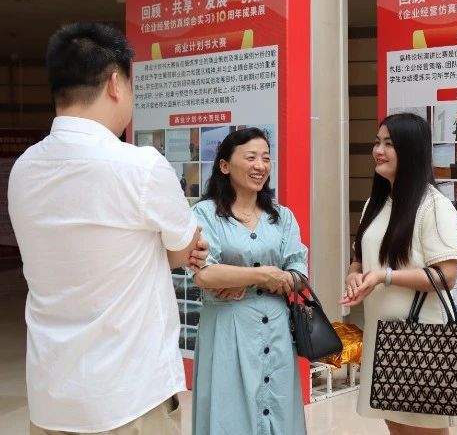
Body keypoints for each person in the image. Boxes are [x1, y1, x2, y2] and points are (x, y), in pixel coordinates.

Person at [8, 22, 208, 435]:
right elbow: (183, 250)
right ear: (116, 83)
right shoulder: (140, 166)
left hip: (51, 397)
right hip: (129, 397)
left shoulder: (24, 169)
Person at [341, 113, 457, 434]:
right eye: (377, 142)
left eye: (389, 144)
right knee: (397, 428)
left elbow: (446, 276)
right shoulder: (374, 204)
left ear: (410, 150)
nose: (378, 150)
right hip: (382, 336)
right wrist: (354, 275)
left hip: (421, 341)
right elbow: (359, 260)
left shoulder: (434, 206)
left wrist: (384, 277)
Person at [186, 127, 308, 435]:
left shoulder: (282, 216)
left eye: (266, 158)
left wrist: (241, 278)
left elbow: (298, 273)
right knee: (229, 415)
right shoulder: (204, 214)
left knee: (278, 414)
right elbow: (205, 274)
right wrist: (264, 274)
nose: (261, 166)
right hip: (227, 330)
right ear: (225, 166)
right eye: (251, 157)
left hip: (276, 332)